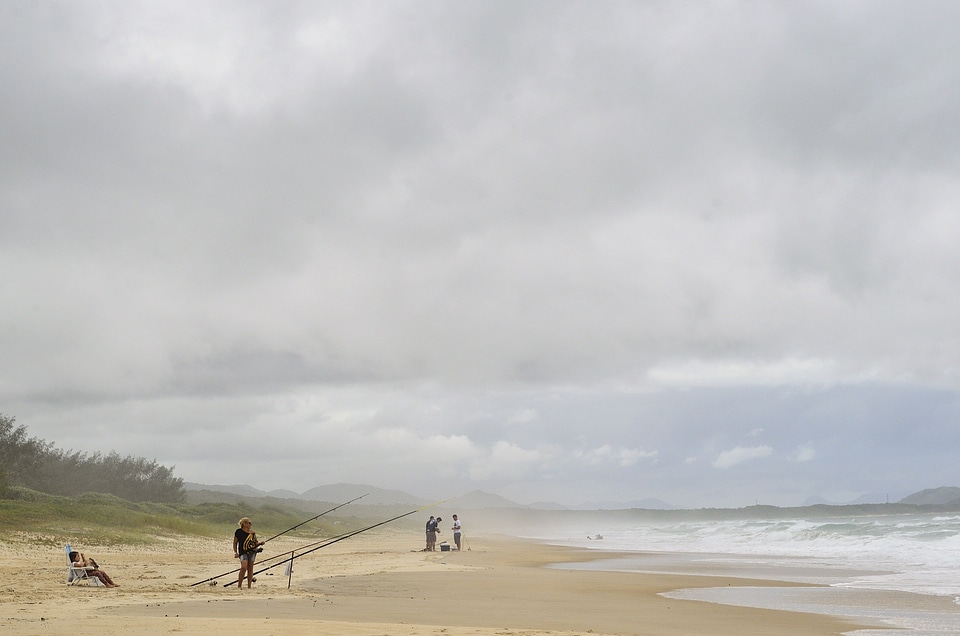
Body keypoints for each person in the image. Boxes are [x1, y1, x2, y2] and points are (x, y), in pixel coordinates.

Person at [233, 517, 263, 589]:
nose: (250, 524)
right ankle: (239, 585)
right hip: (242, 552)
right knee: (243, 567)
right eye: (249, 523)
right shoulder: (238, 531)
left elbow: (255, 543)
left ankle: (249, 586)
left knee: (250, 569)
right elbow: (235, 543)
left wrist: (260, 543)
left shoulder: (252, 533)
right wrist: (235, 552)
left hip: (252, 552)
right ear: (244, 524)